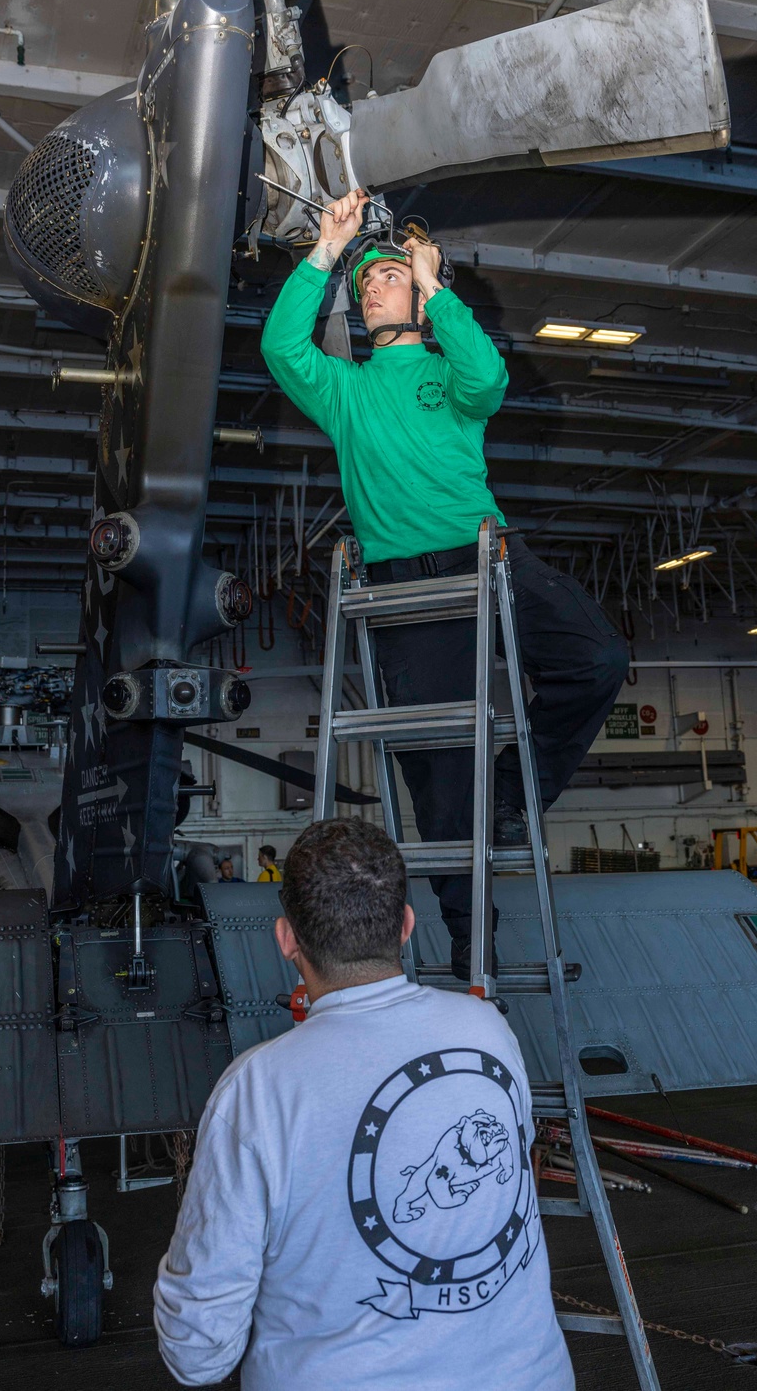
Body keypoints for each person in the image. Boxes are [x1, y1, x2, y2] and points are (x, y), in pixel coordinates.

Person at [260, 189, 629, 979]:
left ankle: (513, 794)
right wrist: (327, 251)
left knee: (597, 659)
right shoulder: (346, 392)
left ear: (419, 297)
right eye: (365, 284)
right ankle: (474, 946)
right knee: (434, 774)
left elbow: (489, 379)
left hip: (488, 557)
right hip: (402, 590)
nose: (371, 286)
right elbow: (282, 349)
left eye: (384, 275)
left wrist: (435, 284)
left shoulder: (448, 374)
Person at [154, 817, 573, 1390]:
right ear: (406, 925)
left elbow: (197, 1353)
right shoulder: (486, 1031)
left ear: (285, 940)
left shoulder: (257, 1090)